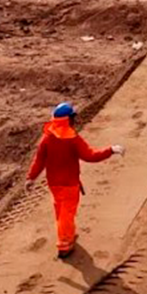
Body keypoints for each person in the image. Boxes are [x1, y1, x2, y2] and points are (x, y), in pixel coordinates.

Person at [27, 102, 125, 258]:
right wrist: (110, 150)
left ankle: (69, 236)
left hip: (54, 184)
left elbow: (39, 160)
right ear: (69, 120)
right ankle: (64, 244)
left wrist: (31, 178)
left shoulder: (47, 137)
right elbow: (90, 156)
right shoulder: (72, 139)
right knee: (67, 214)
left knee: (60, 211)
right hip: (70, 184)